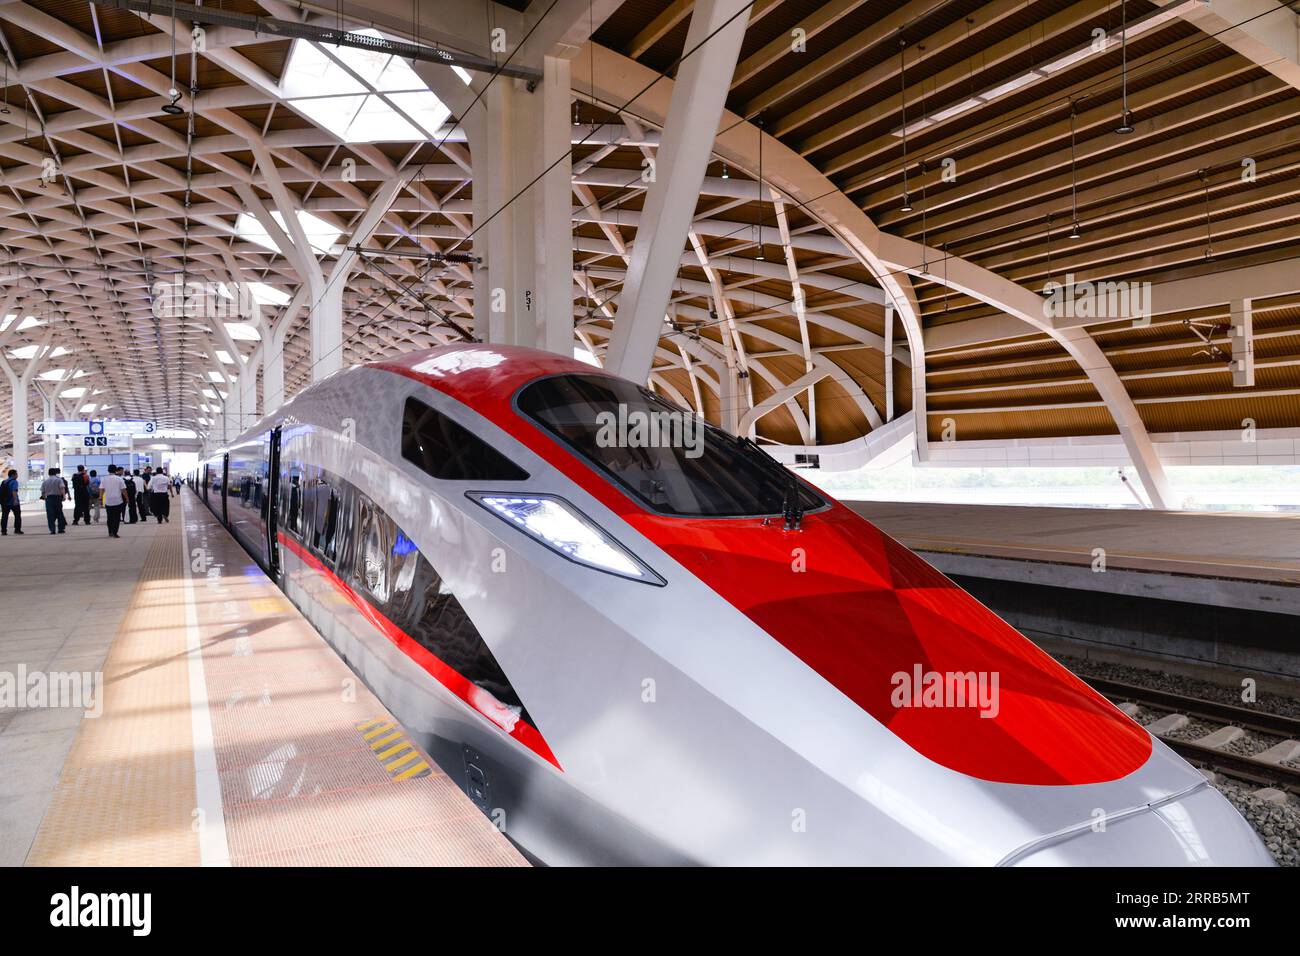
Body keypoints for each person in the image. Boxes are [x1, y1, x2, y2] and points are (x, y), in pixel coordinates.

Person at [100, 465, 128, 539]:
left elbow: (101, 489)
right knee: (116, 517)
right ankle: (115, 532)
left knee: (109, 517)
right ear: (116, 470)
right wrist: (127, 498)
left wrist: (100, 498)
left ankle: (110, 532)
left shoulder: (104, 479)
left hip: (108, 501)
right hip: (118, 501)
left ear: (108, 470)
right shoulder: (119, 479)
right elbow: (123, 490)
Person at [41, 467, 68, 534]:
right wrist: (64, 496)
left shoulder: (45, 481)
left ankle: (52, 530)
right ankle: (60, 529)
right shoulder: (59, 480)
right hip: (57, 498)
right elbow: (62, 488)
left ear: (48, 473)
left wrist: (44, 498)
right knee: (59, 513)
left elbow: (43, 492)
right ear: (55, 473)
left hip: (49, 499)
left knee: (50, 514)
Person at [0, 468, 22, 535]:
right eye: (16, 474)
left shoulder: (4, 481)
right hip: (12, 502)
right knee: (17, 515)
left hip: (4, 502)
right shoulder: (14, 481)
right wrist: (15, 500)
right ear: (13, 475)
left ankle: (3, 531)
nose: (17, 475)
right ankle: (17, 530)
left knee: (4, 516)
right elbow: (14, 491)